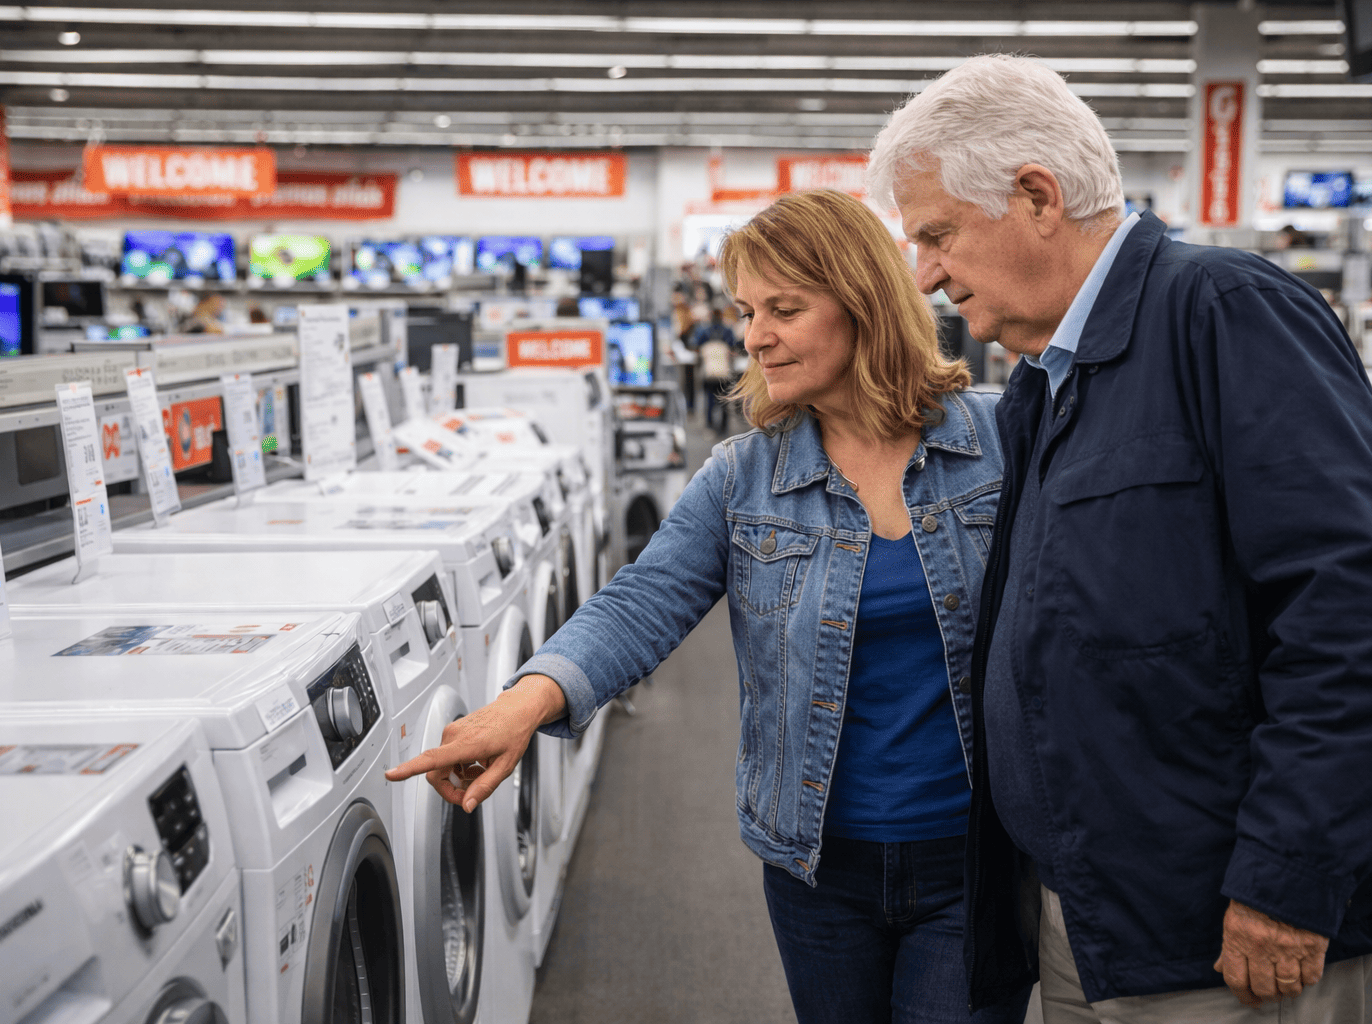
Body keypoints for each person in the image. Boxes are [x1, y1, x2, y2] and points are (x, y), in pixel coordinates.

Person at [865, 53, 1372, 1023]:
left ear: (1037, 196)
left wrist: (1284, 878)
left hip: (1225, 927)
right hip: (1093, 910)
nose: (924, 273)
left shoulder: (1224, 312)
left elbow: (1362, 618)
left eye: (937, 234)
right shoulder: (1048, 381)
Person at [388, 189, 1029, 1024]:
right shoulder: (743, 477)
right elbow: (642, 601)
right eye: (746, 311)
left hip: (975, 858)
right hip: (815, 865)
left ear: (865, 303)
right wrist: (522, 703)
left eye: (784, 309)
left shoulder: (1000, 441)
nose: (753, 335)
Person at [692, 305, 739, 433]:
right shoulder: (727, 331)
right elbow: (733, 348)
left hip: (709, 371)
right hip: (724, 371)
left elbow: (696, 347)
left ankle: (710, 425)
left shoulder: (704, 331)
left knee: (709, 399)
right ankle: (723, 427)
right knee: (724, 399)